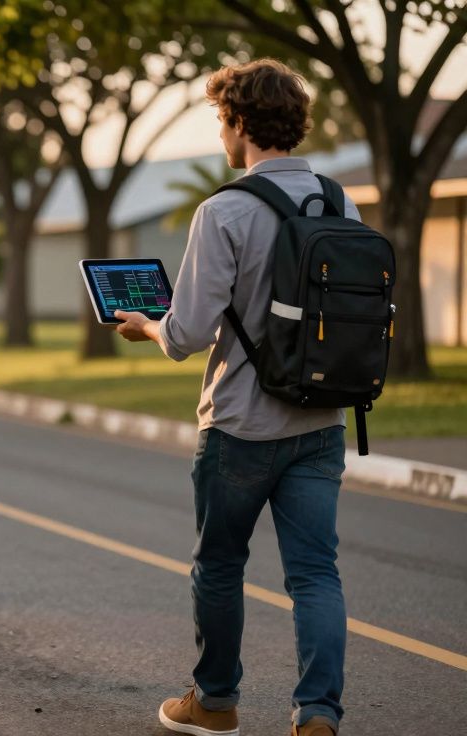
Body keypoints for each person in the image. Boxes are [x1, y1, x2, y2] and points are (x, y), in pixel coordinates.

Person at [113, 59, 356, 736]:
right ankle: (317, 716)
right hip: (322, 418)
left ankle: (214, 703)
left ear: (240, 122)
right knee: (315, 574)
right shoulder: (340, 203)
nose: (220, 131)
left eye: (221, 119)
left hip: (241, 425)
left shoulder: (223, 211)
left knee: (220, 565)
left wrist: (146, 326)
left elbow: (185, 333)